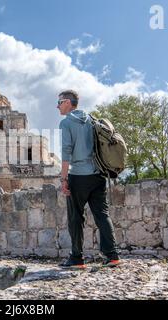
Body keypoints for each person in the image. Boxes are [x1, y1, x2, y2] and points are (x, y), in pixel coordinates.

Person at [57, 90, 120, 268]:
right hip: (98, 175)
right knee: (102, 215)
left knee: (75, 218)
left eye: (59, 102)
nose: (57, 106)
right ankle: (112, 255)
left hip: (78, 176)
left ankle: (77, 258)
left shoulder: (66, 123)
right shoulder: (92, 120)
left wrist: (63, 179)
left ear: (68, 102)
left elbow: (66, 152)